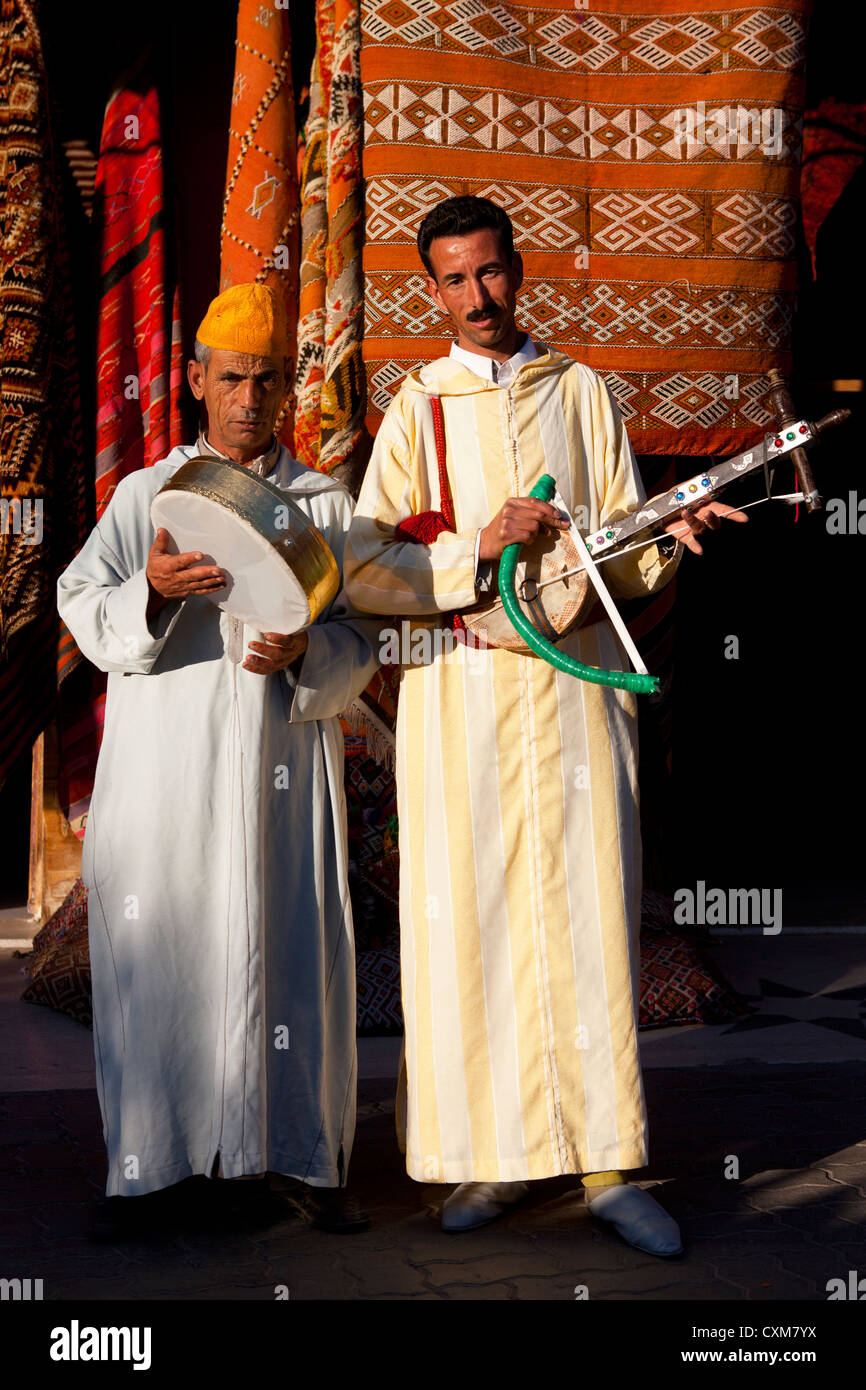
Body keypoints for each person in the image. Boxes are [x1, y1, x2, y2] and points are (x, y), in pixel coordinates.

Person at [343, 196, 745, 1255]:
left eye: (491, 273)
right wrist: (477, 543)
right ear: (429, 289)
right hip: (461, 699)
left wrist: (666, 530)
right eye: (454, 280)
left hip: (574, 700)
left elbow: (615, 555)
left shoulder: (580, 393)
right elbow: (368, 570)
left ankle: (607, 1163)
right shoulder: (413, 411)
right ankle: (488, 1163)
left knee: (586, 917)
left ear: (517, 271)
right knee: (469, 926)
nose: (477, 298)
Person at [58, 283, 380, 1239]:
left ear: (288, 390)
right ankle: (150, 1172)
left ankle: (298, 1161)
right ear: (196, 379)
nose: (249, 397)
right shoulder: (147, 496)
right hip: (166, 787)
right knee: (162, 964)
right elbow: (83, 600)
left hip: (281, 780)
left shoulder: (322, 502)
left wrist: (305, 654)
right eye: (232, 377)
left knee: (289, 950)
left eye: (267, 380)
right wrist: (152, 594)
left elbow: (360, 640)